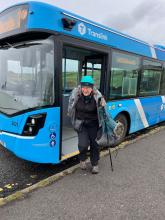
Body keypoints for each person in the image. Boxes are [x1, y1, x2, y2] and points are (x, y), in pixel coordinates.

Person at [68, 76, 106, 174]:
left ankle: (94, 164)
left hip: (94, 124)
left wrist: (103, 106)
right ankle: (82, 159)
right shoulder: (76, 95)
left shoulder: (97, 96)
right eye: (84, 87)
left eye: (88, 88)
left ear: (92, 88)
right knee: (83, 145)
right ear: (81, 87)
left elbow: (103, 111)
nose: (86, 90)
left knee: (95, 144)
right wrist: (72, 118)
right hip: (81, 124)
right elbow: (71, 107)